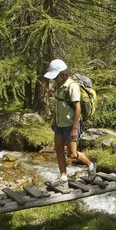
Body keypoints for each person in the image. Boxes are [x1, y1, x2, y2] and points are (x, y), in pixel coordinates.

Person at [44, 59, 97, 187]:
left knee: (72, 154)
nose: (54, 79)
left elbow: (78, 108)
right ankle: (63, 177)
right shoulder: (58, 86)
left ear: (62, 74)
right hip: (59, 124)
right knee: (58, 149)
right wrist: (54, 121)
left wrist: (74, 128)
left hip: (71, 125)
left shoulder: (72, 86)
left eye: (55, 76)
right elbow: (57, 105)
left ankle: (91, 165)